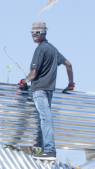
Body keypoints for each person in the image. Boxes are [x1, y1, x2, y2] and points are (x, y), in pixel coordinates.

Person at [19, 21, 74, 161]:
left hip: (39, 90)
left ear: (44, 33)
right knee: (44, 117)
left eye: (37, 32)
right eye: (32, 32)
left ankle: (49, 150)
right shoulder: (52, 49)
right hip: (49, 90)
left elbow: (34, 73)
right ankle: (46, 150)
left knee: (45, 118)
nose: (34, 35)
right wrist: (70, 83)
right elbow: (68, 64)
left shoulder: (40, 49)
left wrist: (23, 81)